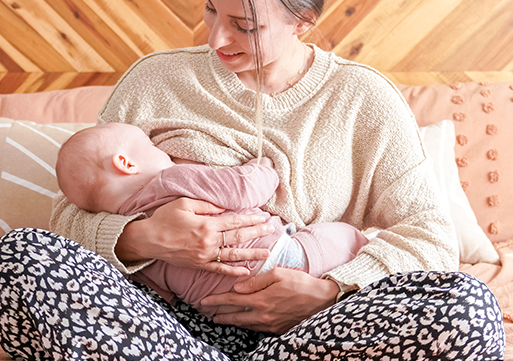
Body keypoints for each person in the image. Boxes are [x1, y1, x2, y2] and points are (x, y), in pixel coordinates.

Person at [0, 0, 505, 361]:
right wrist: (142, 238)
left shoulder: (362, 99)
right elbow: (70, 212)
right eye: (210, 10)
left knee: (470, 314)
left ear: (304, 19)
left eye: (245, 26)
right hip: (164, 327)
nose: (216, 38)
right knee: (13, 263)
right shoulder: (156, 81)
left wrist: (327, 290)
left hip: (313, 333)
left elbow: (431, 240)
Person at [54, 121, 369, 318]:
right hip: (277, 260)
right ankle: (368, 251)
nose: (161, 151)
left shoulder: (127, 232)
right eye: (150, 146)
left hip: (224, 308)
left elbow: (160, 297)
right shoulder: (172, 180)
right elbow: (242, 189)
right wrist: (265, 167)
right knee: (343, 236)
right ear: (124, 163)